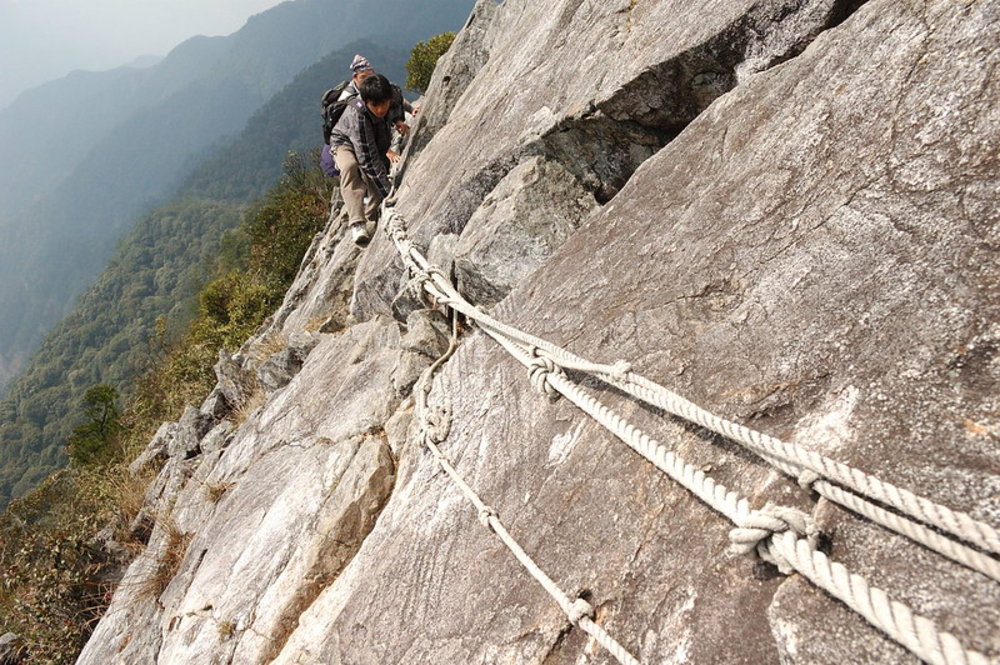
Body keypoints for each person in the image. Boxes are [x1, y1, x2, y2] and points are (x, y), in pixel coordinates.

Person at [329, 73, 394, 247]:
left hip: (369, 141)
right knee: (350, 167)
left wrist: (401, 119)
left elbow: (398, 105)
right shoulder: (358, 116)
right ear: (365, 102)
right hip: (343, 142)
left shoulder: (389, 97)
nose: (381, 109)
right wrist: (390, 193)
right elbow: (367, 160)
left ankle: (372, 217)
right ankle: (357, 223)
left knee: (375, 179)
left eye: (384, 104)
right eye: (375, 105)